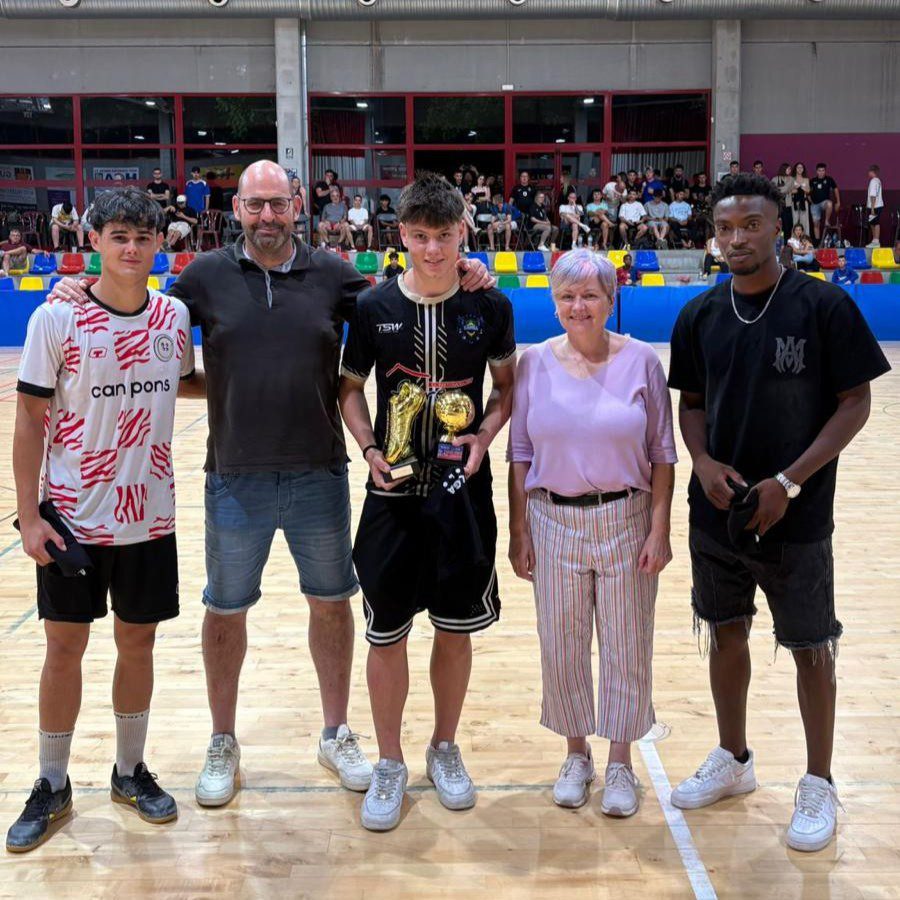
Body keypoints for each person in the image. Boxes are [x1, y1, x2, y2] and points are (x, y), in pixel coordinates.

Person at [48, 161, 493, 811]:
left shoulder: (336, 274)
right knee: (226, 609)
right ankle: (222, 739)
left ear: (296, 205)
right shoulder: (204, 277)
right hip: (233, 476)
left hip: (320, 471)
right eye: (255, 205)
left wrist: (468, 269)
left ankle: (336, 733)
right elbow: (138, 307)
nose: (267, 216)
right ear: (237, 208)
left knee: (332, 603)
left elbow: (408, 292)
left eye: (278, 204)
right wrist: (80, 289)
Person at [667, 172, 890, 853]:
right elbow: (692, 404)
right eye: (725, 228)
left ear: (778, 230)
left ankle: (819, 781)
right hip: (717, 511)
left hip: (797, 513)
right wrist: (703, 464)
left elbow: (856, 401)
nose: (736, 238)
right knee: (724, 631)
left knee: (811, 645)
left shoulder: (822, 306)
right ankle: (733, 758)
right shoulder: (699, 314)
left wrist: (789, 482)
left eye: (750, 225)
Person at [6, 188, 195, 853]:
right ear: (93, 241)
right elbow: (29, 418)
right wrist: (29, 517)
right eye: (119, 236)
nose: (132, 248)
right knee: (64, 648)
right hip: (73, 519)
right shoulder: (56, 319)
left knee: (137, 645)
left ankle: (129, 770)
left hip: (150, 517)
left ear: (159, 245)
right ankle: (52, 781)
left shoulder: (174, 316)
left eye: (144, 237)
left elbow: (188, 382)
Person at [338, 172, 515, 833]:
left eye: (444, 236)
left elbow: (506, 389)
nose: (434, 250)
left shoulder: (490, 306)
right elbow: (349, 389)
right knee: (386, 632)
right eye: (420, 236)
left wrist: (484, 437)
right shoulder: (373, 306)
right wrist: (367, 447)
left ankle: (444, 746)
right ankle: (389, 761)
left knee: (455, 626)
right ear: (402, 236)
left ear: (463, 232)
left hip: (462, 493)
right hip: (392, 496)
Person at [508, 248, 676, 815]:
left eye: (589, 295)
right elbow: (520, 452)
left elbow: (662, 453)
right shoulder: (534, 362)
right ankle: (576, 753)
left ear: (611, 299)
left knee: (627, 642)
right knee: (561, 642)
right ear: (553, 303)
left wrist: (659, 528)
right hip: (552, 518)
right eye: (567, 296)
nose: (578, 306)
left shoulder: (642, 360)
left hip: (626, 517)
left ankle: (621, 761)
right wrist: (519, 529)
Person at [809, 164, 840, 246]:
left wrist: (838, 202)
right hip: (815, 204)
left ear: (825, 171)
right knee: (816, 224)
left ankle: (826, 220)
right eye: (819, 171)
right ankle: (817, 242)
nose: (821, 172)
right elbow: (808, 192)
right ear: (817, 171)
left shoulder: (829, 179)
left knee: (829, 203)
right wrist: (810, 201)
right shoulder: (812, 180)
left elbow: (836, 189)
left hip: (824, 203)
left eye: (823, 170)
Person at [771, 163, 795, 241]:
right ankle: (779, 241)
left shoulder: (791, 179)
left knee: (788, 225)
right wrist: (779, 190)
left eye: (790, 169)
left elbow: (786, 189)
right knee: (778, 225)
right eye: (788, 169)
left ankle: (787, 241)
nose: (790, 170)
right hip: (777, 205)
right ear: (783, 169)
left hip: (787, 205)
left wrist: (778, 189)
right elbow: (772, 189)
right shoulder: (775, 179)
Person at [790, 162, 811, 239]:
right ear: (795, 169)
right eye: (798, 167)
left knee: (804, 221)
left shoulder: (806, 179)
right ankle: (794, 239)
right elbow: (789, 191)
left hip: (804, 202)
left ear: (803, 169)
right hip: (794, 202)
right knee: (795, 221)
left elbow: (808, 191)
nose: (800, 169)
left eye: (801, 167)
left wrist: (801, 188)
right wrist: (796, 189)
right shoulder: (791, 179)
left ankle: (805, 239)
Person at [866, 164, 883, 247]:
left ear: (872, 172)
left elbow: (873, 195)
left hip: (875, 206)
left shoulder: (873, 181)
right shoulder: (878, 180)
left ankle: (876, 241)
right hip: (877, 206)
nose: (868, 173)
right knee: (873, 223)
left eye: (869, 171)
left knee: (875, 223)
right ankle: (875, 240)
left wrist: (872, 208)